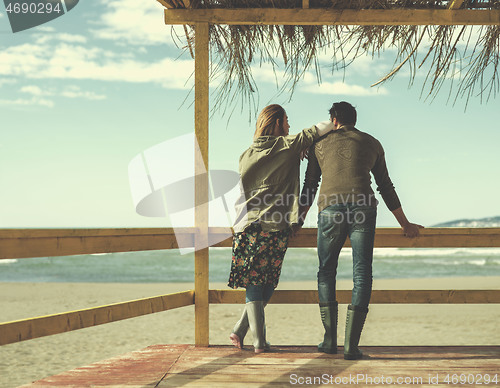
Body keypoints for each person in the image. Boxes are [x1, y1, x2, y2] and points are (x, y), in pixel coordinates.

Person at [298, 101, 423, 360]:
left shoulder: (318, 145)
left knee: (326, 271)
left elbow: (310, 184)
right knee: (362, 273)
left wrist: (298, 220)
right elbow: (385, 186)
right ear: (354, 120)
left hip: (330, 210)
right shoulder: (372, 143)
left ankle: (330, 340)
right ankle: (351, 347)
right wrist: (405, 224)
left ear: (334, 120)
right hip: (364, 209)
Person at [228, 104, 335, 353]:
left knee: (267, 283)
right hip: (267, 224)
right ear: (276, 123)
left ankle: (239, 330)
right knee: (259, 282)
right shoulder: (288, 145)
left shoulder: (246, 154)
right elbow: (323, 127)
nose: (289, 126)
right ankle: (259, 342)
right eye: (286, 121)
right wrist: (329, 123)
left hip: (251, 224)